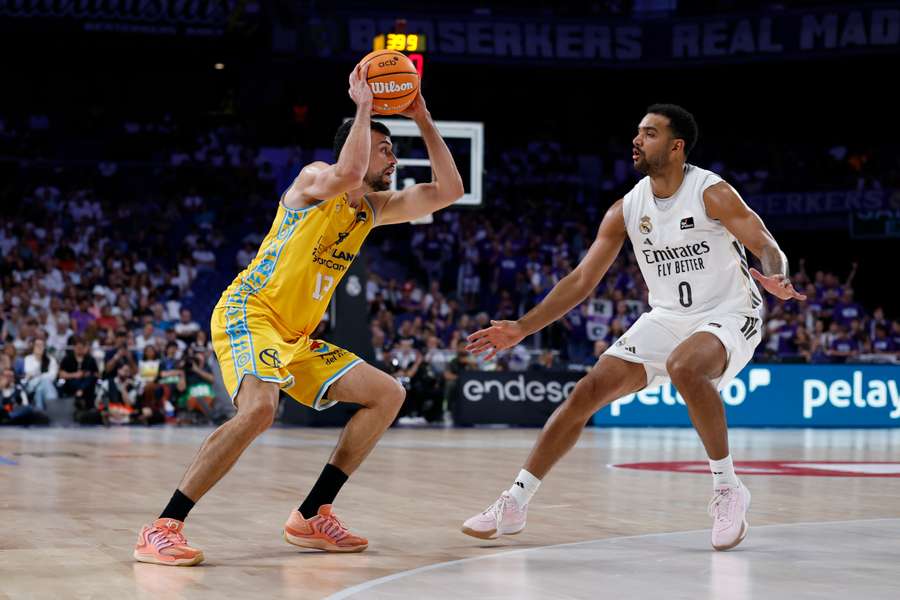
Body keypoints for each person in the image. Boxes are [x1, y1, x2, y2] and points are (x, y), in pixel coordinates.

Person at [134, 63, 464, 566]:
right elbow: (348, 173)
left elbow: (450, 190)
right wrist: (364, 107)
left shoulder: (370, 210)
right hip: (250, 312)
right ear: (355, 144)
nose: (394, 160)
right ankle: (162, 526)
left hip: (297, 334)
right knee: (261, 409)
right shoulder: (313, 179)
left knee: (387, 393)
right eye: (386, 149)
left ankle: (312, 514)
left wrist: (422, 117)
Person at [462, 104, 805, 551]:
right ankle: (515, 502)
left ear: (676, 147)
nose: (637, 140)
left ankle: (728, 489)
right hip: (665, 316)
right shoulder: (627, 208)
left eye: (649, 133)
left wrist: (777, 275)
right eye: (638, 133)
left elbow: (763, 241)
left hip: (730, 311)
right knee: (586, 392)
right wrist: (523, 327)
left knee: (685, 367)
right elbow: (582, 280)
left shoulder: (710, 192)